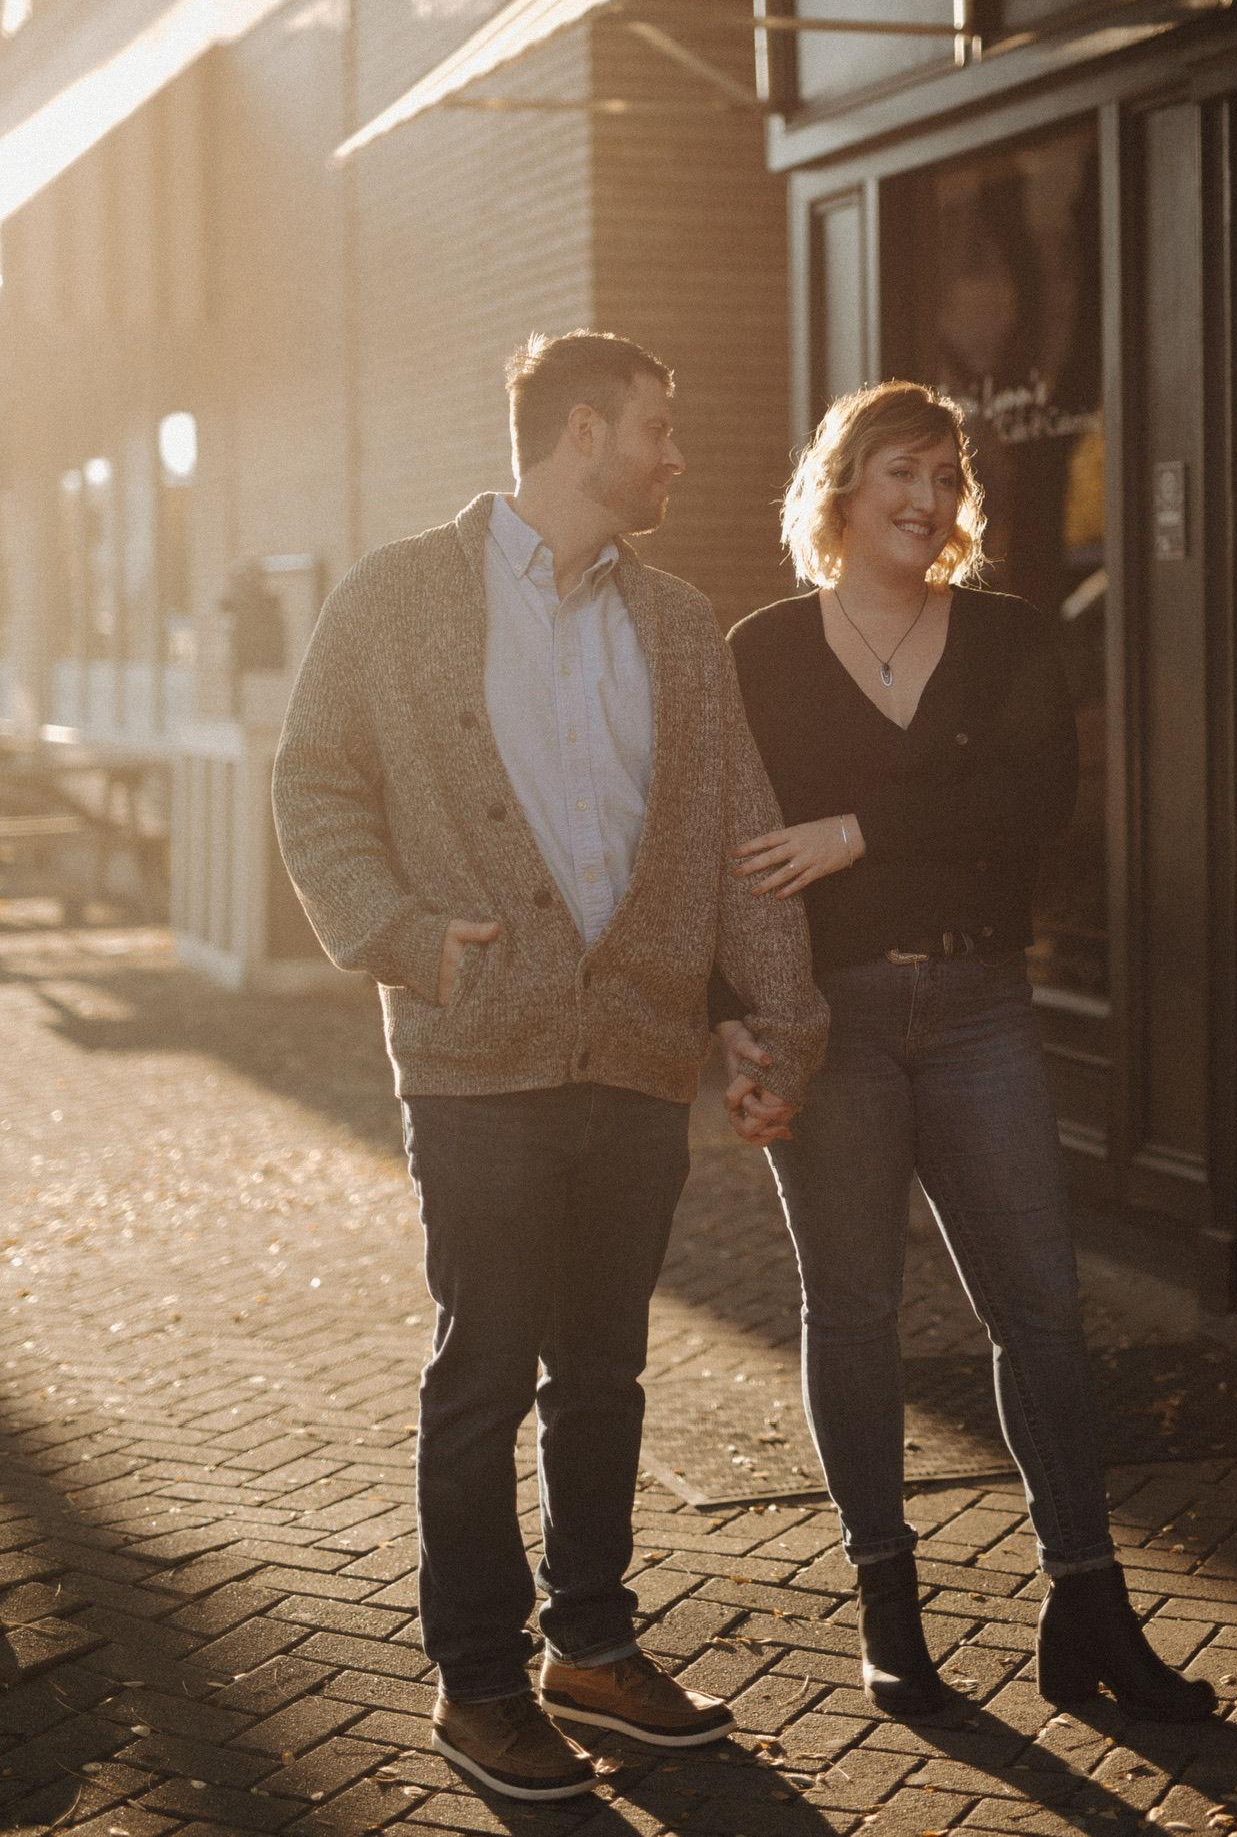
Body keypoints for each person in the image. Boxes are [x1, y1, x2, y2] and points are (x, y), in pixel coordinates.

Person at [273, 330, 828, 1801]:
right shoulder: (398, 596)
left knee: (604, 1371)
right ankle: (477, 1682)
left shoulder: (677, 621)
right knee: (483, 1373)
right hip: (477, 1058)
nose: (674, 456)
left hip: (633, 1055)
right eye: (657, 426)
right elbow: (315, 774)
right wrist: (398, 932)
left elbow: (733, 833)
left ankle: (591, 1641)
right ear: (583, 433)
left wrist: (774, 1023)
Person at [715, 379, 1215, 1726]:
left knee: (1040, 1309)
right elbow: (727, 850)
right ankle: (889, 1607)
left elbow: (1034, 802)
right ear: (840, 484)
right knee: (854, 1311)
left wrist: (858, 831)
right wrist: (733, 1020)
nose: (927, 500)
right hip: (834, 1019)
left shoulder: (1002, 636)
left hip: (983, 1006)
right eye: (899, 473)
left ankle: (1087, 1604)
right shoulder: (759, 650)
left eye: (945, 477)